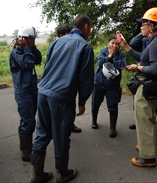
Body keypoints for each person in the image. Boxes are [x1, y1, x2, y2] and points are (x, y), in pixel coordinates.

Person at [29, 14, 94, 183]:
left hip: (43, 91)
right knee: (61, 134)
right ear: (86, 26)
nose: (90, 31)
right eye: (90, 28)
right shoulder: (84, 47)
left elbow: (48, 66)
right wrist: (82, 102)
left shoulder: (56, 42)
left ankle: (37, 174)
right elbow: (85, 79)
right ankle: (62, 173)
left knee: (42, 131)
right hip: (61, 96)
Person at [119, 7, 157, 167]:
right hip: (152, 86)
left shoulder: (155, 43)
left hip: (146, 86)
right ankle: (150, 146)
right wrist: (126, 46)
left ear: (152, 25)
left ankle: (148, 157)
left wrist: (137, 68)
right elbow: (143, 57)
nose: (141, 27)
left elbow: (153, 68)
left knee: (144, 119)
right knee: (150, 117)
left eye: (144, 23)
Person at [9, 26, 42, 162]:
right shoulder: (16, 53)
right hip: (23, 92)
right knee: (28, 121)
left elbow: (38, 59)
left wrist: (32, 48)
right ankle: (26, 152)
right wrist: (27, 49)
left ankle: (25, 144)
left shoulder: (29, 50)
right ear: (24, 39)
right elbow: (28, 64)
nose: (34, 41)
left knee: (28, 119)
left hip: (32, 89)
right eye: (32, 39)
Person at [91, 34, 126, 138]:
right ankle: (94, 121)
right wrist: (109, 55)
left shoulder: (121, 54)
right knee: (95, 103)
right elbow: (100, 63)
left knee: (113, 106)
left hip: (113, 85)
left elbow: (121, 66)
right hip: (99, 83)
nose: (115, 46)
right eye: (112, 43)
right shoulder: (103, 51)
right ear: (109, 43)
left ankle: (112, 128)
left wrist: (113, 56)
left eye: (117, 44)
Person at [56, 24, 82, 133]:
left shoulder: (72, 46)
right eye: (68, 34)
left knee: (71, 104)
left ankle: (71, 124)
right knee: (61, 108)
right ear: (61, 35)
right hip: (59, 84)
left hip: (71, 82)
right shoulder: (56, 46)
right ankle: (61, 128)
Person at [128, 33, 149, 130]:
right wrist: (142, 33)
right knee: (137, 98)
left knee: (149, 100)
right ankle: (137, 121)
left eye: (143, 24)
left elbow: (146, 58)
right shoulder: (144, 38)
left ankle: (148, 123)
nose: (141, 27)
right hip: (139, 73)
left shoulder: (155, 40)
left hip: (149, 73)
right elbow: (132, 42)